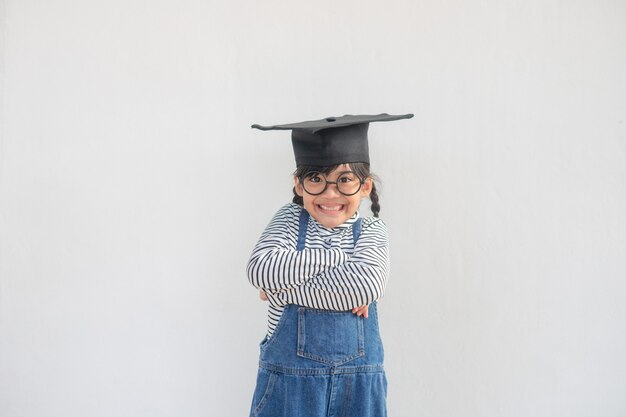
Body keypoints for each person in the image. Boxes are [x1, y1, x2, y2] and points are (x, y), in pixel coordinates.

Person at [247, 113, 413, 417]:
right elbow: (260, 269)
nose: (330, 193)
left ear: (365, 186)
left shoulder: (373, 230)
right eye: (316, 179)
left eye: (345, 180)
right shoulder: (288, 219)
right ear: (299, 185)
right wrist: (340, 260)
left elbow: (366, 285)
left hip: (358, 392)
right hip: (288, 387)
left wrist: (281, 290)